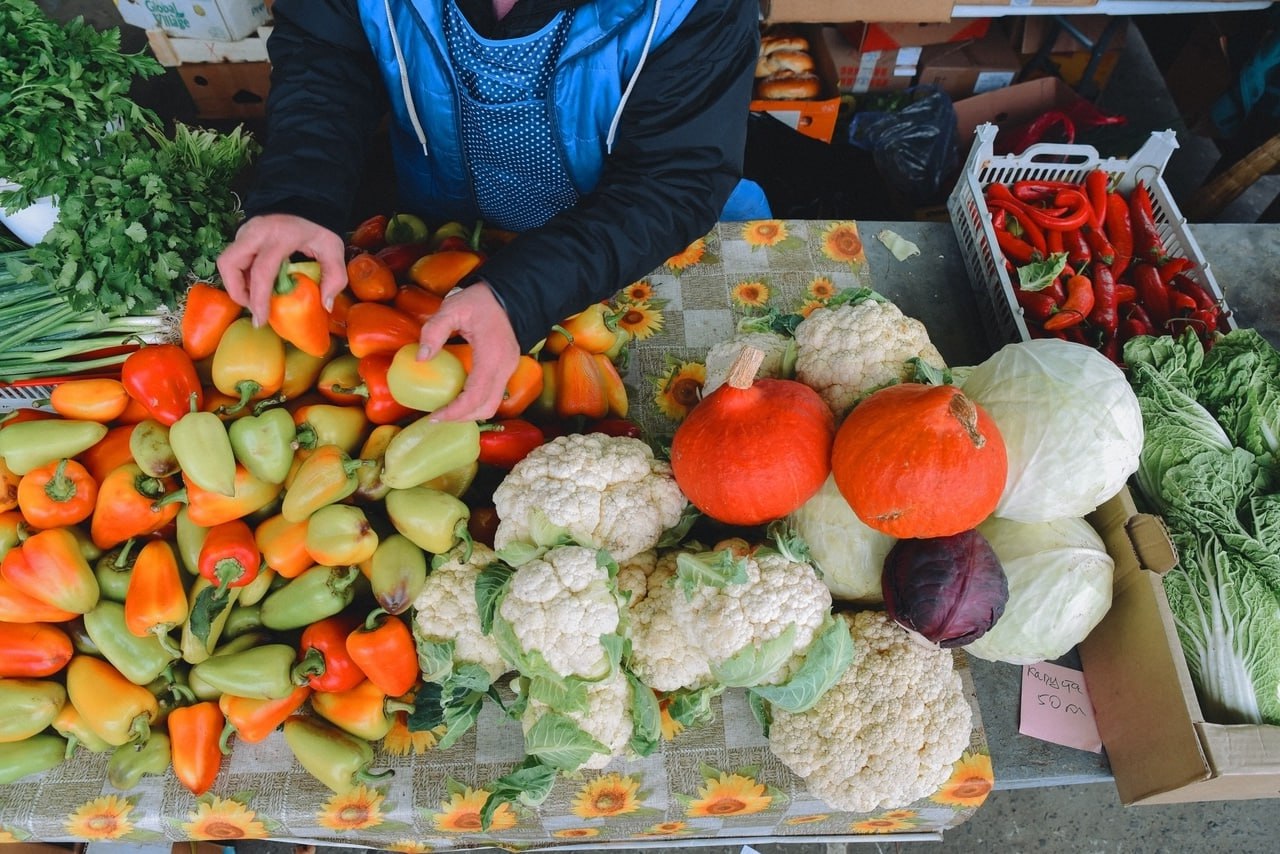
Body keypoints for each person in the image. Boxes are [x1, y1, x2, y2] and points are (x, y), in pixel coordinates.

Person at [216, 0, 767, 421]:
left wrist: (521, 293)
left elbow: (674, 177)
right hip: (451, 237)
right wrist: (300, 194)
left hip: (634, 245)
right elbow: (326, 52)